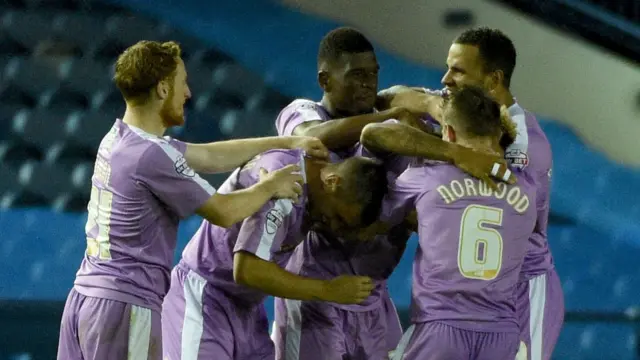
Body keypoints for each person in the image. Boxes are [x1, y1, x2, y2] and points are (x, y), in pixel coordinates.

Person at [56, 40, 332, 360]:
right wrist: (270, 186)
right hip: (126, 305)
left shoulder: (119, 139)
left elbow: (210, 155)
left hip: (85, 298)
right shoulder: (152, 155)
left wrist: (286, 141)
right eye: (182, 83)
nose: (187, 93)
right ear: (162, 89)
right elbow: (224, 212)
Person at [271, 27, 515, 360]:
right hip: (319, 291)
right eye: (356, 76)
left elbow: (407, 98)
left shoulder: (401, 124)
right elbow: (319, 136)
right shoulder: (304, 112)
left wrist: (429, 104)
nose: (367, 84)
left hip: (372, 296)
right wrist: (409, 122)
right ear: (325, 80)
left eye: (372, 75)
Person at [377, 27, 563, 359]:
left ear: (493, 80)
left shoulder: (523, 147)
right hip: (477, 294)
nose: (446, 78)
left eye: (458, 70)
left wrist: (441, 144)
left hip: (521, 289)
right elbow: (387, 97)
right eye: (448, 67)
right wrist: (430, 104)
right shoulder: (468, 109)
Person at [161, 148, 388, 360]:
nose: (335, 228)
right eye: (338, 217)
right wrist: (327, 290)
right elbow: (247, 269)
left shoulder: (326, 176)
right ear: (332, 181)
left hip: (247, 307)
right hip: (205, 297)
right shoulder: (284, 184)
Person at [369, 86, 537, 359]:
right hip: (502, 335)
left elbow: (379, 219)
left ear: (447, 133)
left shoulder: (426, 177)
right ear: (497, 133)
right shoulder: (526, 189)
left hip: (441, 329)